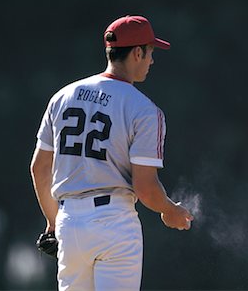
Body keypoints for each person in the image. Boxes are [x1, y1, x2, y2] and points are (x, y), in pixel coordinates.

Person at [30, 15, 194, 291]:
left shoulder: (63, 96)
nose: (151, 60)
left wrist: (53, 222)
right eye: (150, 52)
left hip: (69, 221)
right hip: (114, 223)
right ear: (138, 52)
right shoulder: (144, 110)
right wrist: (171, 210)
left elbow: (39, 168)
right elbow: (145, 188)